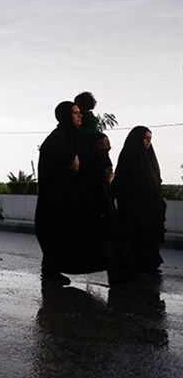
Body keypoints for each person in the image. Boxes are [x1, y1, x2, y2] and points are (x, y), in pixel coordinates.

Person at [34, 101, 134, 287]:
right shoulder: (56, 140)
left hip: (74, 203)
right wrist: (70, 156)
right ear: (65, 116)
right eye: (75, 113)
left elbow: (89, 157)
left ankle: (54, 272)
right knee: (57, 239)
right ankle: (51, 275)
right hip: (57, 204)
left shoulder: (75, 137)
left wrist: (103, 150)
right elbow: (58, 162)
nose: (80, 116)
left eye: (80, 113)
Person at [112, 126, 167, 276]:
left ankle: (149, 263)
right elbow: (121, 178)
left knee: (150, 235)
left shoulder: (150, 157)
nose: (148, 142)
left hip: (151, 205)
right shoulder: (129, 156)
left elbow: (157, 179)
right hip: (133, 206)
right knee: (136, 234)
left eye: (150, 139)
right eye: (146, 139)